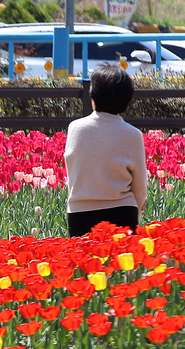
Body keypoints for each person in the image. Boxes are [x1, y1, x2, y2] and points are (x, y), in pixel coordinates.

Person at [63, 65, 148, 238]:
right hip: (122, 212)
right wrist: (136, 214)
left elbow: (73, 174)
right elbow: (140, 187)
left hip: (80, 213)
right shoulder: (132, 134)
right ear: (127, 99)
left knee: (85, 264)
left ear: (93, 96)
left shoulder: (75, 128)